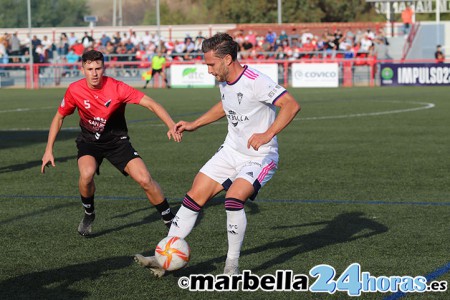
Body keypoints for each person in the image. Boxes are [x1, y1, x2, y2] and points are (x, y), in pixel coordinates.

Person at [134, 32, 301, 276]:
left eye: (211, 64)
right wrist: (194, 124)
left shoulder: (256, 80)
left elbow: (291, 105)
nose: (209, 70)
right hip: (230, 151)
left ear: (227, 59)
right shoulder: (225, 80)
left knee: (233, 200)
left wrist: (267, 134)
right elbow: (225, 105)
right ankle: (164, 257)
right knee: (194, 196)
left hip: (260, 157)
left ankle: (231, 265)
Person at [41, 50, 182, 237]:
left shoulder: (117, 88)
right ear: (82, 69)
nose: (94, 73)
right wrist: (48, 149)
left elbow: (150, 103)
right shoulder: (74, 90)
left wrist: (170, 124)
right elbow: (59, 117)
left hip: (117, 142)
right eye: (90, 68)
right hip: (89, 142)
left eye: (98, 68)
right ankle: (89, 214)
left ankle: (169, 219)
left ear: (104, 67)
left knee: (145, 179)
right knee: (86, 174)